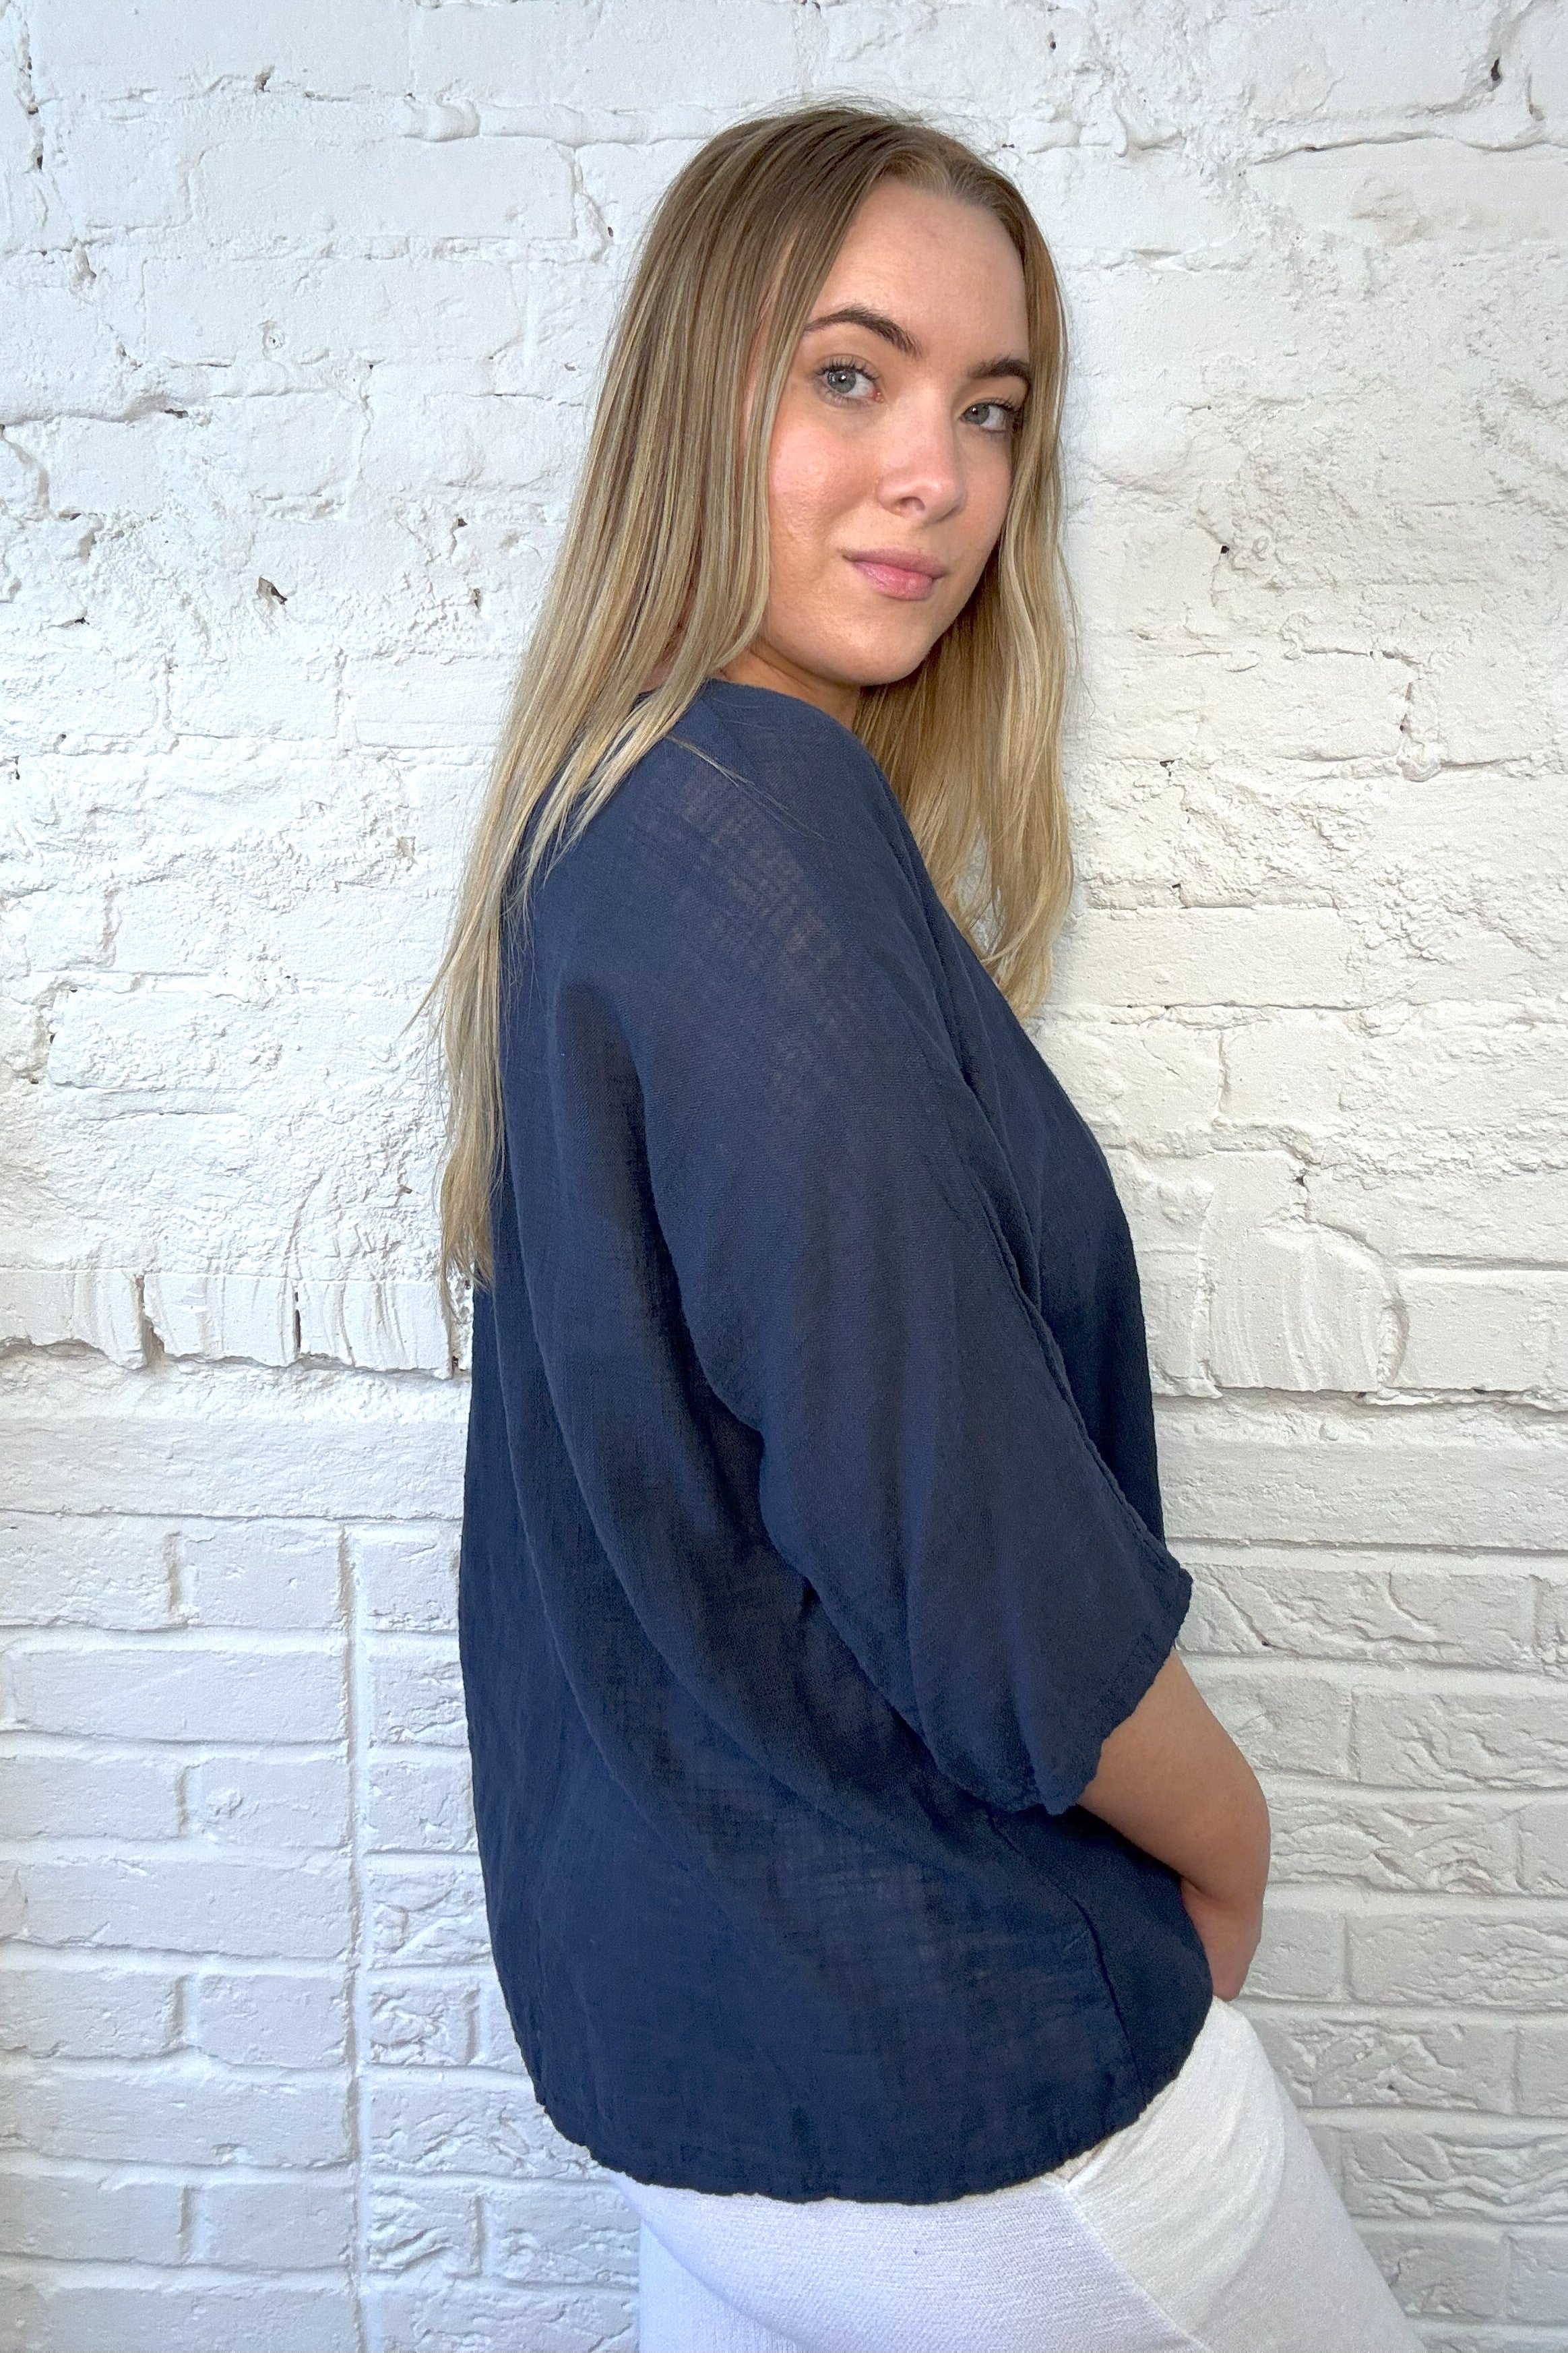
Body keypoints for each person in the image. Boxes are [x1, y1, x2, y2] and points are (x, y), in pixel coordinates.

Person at [425, 100, 1422, 2353]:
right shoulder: (751, 832)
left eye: (991, 409)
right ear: (697, 394)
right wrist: (1232, 1833)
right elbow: (955, 1526)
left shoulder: (615, 817)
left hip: (691, 2035)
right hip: (934, 2051)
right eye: (852, 374)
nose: (940, 478)